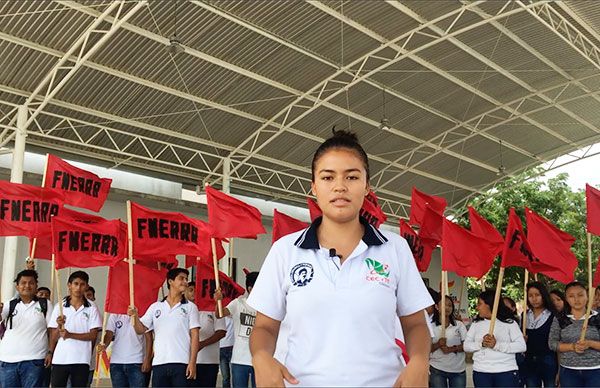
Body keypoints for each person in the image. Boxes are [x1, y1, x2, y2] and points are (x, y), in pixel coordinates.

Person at [247, 130, 433, 386]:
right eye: (328, 177)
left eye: (352, 176)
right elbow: (265, 327)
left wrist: (420, 362)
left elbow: (415, 324)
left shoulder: (395, 249)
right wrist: (260, 356)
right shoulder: (285, 250)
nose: (340, 187)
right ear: (314, 186)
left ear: (367, 186)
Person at [129, 267, 200, 387]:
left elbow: (195, 336)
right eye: (181, 278)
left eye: (186, 279)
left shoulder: (190, 307)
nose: (185, 282)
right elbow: (140, 330)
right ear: (170, 281)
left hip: (181, 362)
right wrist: (135, 317)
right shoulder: (155, 307)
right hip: (159, 364)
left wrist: (192, 362)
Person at [47, 271, 101, 387]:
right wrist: (58, 325)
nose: (78, 287)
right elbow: (54, 337)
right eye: (75, 284)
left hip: (81, 359)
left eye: (82, 284)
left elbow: (93, 335)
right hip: (60, 359)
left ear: (86, 286)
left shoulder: (92, 308)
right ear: (69, 285)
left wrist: (70, 335)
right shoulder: (59, 306)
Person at [0, 270, 53, 388]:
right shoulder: (9, 304)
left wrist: (50, 352)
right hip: (7, 360)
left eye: (31, 283)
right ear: (17, 286)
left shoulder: (45, 304)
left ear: (36, 286)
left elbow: (52, 330)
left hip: (35, 361)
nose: (27, 286)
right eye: (23, 283)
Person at [464, 289, 526, 387]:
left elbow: (521, 346)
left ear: (489, 305)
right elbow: (466, 346)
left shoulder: (510, 323)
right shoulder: (476, 324)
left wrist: (496, 345)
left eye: (480, 304)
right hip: (481, 372)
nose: (477, 307)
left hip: (506, 372)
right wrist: (481, 344)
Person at [548, 281, 600, 387]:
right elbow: (552, 343)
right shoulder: (560, 318)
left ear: (587, 296)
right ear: (566, 299)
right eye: (571, 296)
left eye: (580, 295)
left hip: (595, 370)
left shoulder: (597, 318)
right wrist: (572, 347)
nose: (576, 299)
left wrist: (590, 343)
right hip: (568, 371)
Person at [215, 272, 259, 388]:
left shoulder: (266, 306)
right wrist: (218, 301)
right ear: (250, 288)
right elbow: (220, 314)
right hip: (240, 359)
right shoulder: (238, 303)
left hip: (260, 360)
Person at [97, 313, 153, 387]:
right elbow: (109, 334)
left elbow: (149, 338)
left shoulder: (143, 313)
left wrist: (147, 360)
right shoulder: (114, 314)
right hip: (116, 363)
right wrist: (104, 345)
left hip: (137, 362)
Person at [521, 281, 558, 387]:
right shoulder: (525, 315)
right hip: (529, 359)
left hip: (548, 359)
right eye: (530, 296)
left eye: (537, 295)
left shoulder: (553, 315)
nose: (534, 298)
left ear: (543, 295)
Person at [429, 295, 467, 388]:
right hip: (437, 369)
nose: (447, 308)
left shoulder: (459, 325)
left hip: (458, 370)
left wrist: (451, 349)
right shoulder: (431, 326)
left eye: (450, 305)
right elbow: (426, 349)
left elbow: (467, 345)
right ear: (437, 307)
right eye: (444, 305)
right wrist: (438, 344)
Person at [194, 310, 226, 387]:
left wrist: (202, 344)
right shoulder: (186, 308)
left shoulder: (215, 308)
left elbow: (221, 332)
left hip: (209, 362)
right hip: (187, 361)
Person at [219, 316, 234, 388]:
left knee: (235, 375)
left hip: (232, 347)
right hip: (222, 348)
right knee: (225, 376)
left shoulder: (234, 315)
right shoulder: (220, 318)